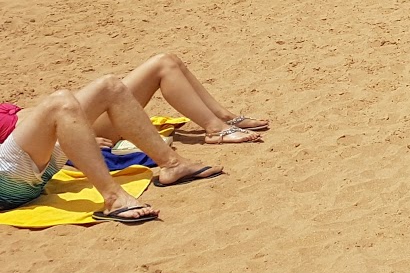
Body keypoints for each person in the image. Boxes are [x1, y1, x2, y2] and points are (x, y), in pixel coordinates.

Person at [1, 57, 241, 224]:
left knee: (110, 86)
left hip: (34, 158)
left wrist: (76, 134)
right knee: (61, 102)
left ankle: (173, 165)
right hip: (8, 179)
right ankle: (114, 198)